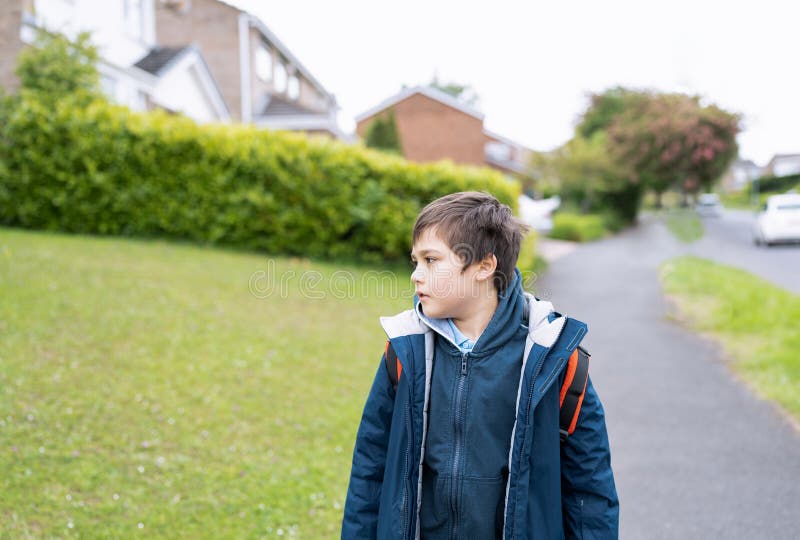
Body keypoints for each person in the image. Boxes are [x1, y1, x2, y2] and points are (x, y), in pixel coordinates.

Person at [341, 191, 619, 539]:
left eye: (430, 260)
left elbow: (590, 493)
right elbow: (370, 472)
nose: (416, 275)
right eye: (415, 261)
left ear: (484, 267)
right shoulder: (404, 350)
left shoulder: (554, 359)